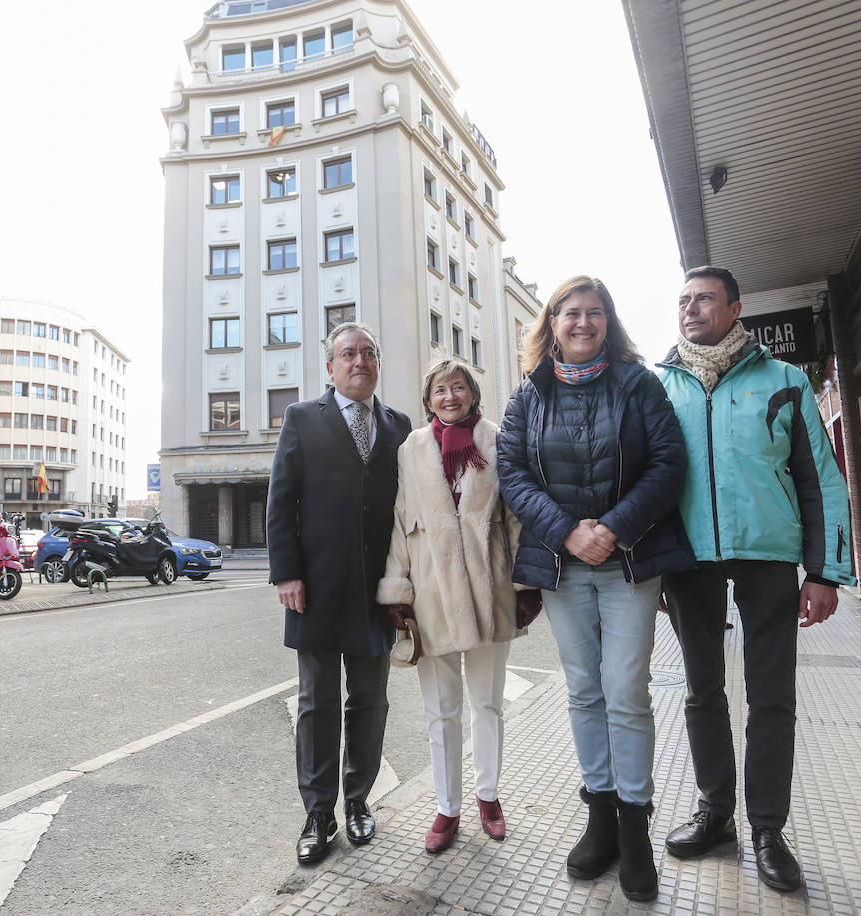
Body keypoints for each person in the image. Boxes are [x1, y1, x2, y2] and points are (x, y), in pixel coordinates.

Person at [655, 266, 854, 893]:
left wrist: (825, 572)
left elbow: (819, 478)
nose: (690, 309)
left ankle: (768, 827)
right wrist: (654, 566)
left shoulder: (787, 380)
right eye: (683, 300)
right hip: (689, 560)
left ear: (735, 308)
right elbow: (649, 486)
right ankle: (716, 815)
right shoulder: (658, 387)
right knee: (701, 691)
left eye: (704, 299)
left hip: (769, 556)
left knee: (771, 696)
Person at [498, 276, 692, 902]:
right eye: (571, 313)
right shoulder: (528, 396)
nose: (583, 323)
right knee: (583, 690)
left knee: (625, 692)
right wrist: (565, 532)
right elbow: (512, 473)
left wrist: (611, 528)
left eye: (595, 313)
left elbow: (668, 465)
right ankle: (600, 818)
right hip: (562, 566)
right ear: (550, 323)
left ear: (609, 322)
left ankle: (635, 832)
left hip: (629, 562)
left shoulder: (639, 384)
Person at [376, 358, 539, 854]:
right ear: (429, 400)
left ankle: (488, 796)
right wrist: (396, 590)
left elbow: (515, 517)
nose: (451, 397)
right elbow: (401, 520)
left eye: (460, 387)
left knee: (487, 703)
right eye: (441, 390)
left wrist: (525, 584)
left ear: (473, 393)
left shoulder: (497, 438)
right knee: (440, 712)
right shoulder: (411, 449)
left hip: (490, 590)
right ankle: (447, 807)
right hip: (432, 593)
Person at [266, 322, 412, 865]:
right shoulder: (303, 418)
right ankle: (318, 812)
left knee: (370, 701)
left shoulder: (399, 425)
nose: (359, 361)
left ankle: (358, 801)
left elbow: (408, 510)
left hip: (378, 592)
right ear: (330, 367)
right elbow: (281, 501)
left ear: (378, 363)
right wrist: (287, 574)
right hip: (317, 589)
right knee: (317, 702)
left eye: (368, 353)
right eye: (347, 354)